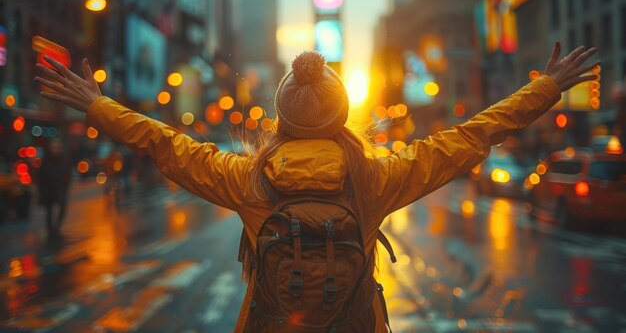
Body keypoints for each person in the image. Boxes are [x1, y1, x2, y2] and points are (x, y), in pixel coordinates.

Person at [34, 41, 598, 332]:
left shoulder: (248, 178)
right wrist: (545, 88)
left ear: (280, 119)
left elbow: (162, 143)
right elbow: (473, 136)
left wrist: (96, 104)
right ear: (342, 115)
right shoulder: (374, 177)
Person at [37, 138, 71, 241]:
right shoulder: (46, 159)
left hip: (60, 188)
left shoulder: (63, 159)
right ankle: (50, 230)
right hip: (48, 189)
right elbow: (41, 175)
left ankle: (57, 227)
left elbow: (67, 174)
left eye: (57, 147)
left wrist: (65, 186)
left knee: (62, 207)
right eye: (53, 147)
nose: (55, 149)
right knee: (49, 211)